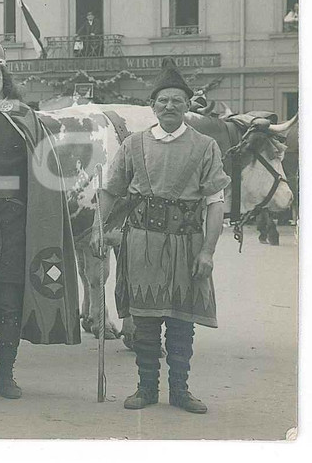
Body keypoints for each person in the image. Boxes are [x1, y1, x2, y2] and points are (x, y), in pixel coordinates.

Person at [0, 41, 81, 399]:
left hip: (11, 219)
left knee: (8, 298)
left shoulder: (24, 118)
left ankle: (6, 374)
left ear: (4, 78)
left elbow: (43, 173)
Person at [99, 60, 230, 414]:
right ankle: (145, 389)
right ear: (153, 106)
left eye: (177, 100)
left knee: (181, 321)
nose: (169, 106)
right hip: (141, 241)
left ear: (187, 105)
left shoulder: (205, 147)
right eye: (163, 101)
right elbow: (110, 190)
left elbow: (215, 203)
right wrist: (98, 228)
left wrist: (208, 251)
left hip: (187, 243)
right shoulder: (133, 145)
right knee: (144, 320)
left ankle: (180, 391)